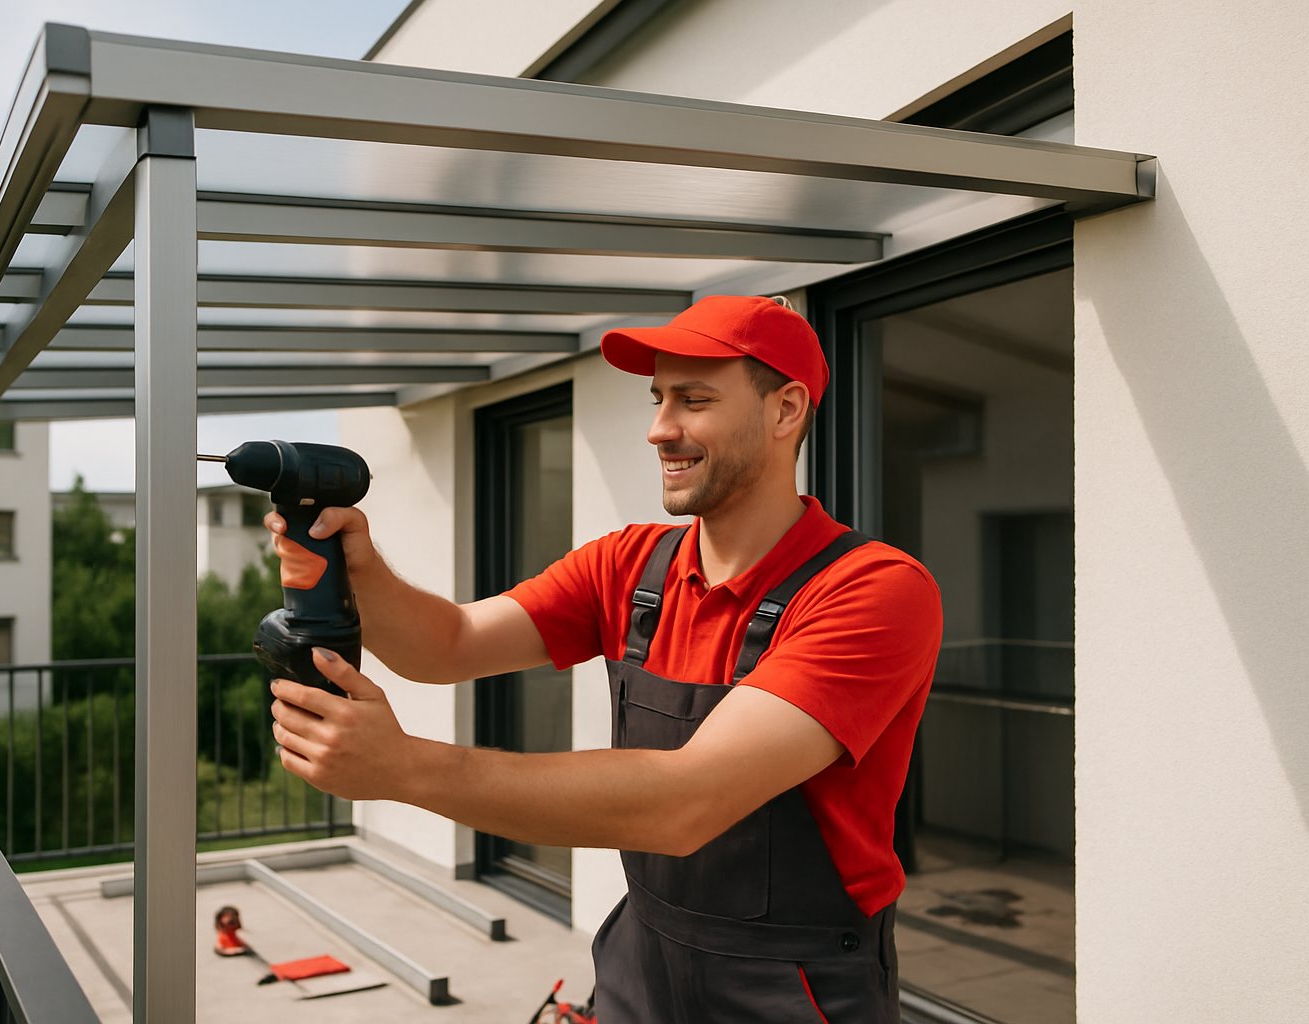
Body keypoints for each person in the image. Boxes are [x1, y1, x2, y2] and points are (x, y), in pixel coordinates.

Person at [264, 294, 942, 1024]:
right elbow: (449, 644)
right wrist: (361, 567)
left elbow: (689, 801)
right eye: (658, 399)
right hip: (639, 967)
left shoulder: (873, 591)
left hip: (793, 990)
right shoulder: (629, 566)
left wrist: (403, 768)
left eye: (694, 400)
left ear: (785, 411)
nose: (659, 429)